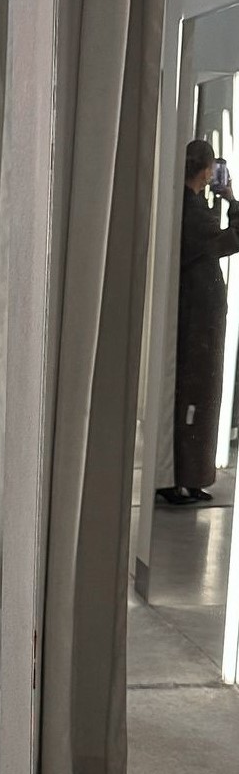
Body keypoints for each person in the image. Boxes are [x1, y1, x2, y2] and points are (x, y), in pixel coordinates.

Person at [157, 137, 239, 508]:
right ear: (206, 171)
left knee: (192, 396)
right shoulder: (192, 213)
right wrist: (231, 200)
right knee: (197, 396)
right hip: (198, 319)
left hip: (194, 312)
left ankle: (184, 478)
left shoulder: (184, 207)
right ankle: (184, 480)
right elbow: (231, 240)